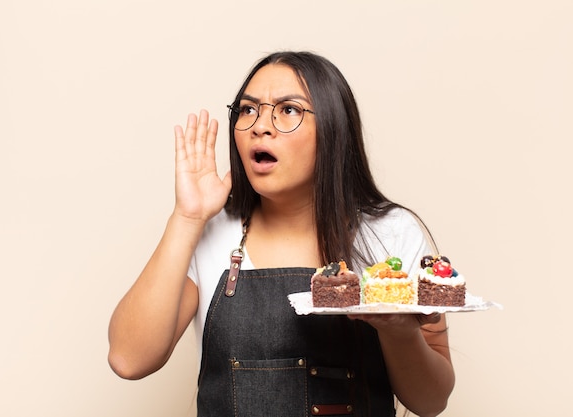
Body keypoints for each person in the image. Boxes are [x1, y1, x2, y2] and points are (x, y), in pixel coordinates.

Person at [108, 51, 455, 417]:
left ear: (334, 128)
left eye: (288, 109)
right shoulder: (209, 234)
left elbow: (431, 402)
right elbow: (129, 360)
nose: (260, 125)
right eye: (248, 109)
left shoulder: (390, 233)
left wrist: (400, 332)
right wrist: (187, 217)